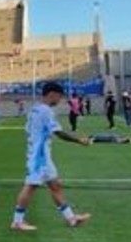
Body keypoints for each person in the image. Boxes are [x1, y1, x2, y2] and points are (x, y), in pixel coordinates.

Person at [9, 82, 92, 232]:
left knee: (55, 186)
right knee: (31, 186)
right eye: (59, 97)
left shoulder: (34, 109)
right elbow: (58, 132)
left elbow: (28, 130)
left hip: (40, 153)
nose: (60, 100)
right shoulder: (46, 111)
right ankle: (17, 221)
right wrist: (79, 140)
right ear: (52, 94)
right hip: (39, 156)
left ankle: (71, 218)